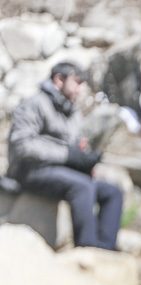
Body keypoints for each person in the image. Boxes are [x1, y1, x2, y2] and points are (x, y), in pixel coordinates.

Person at [7, 62, 123, 250]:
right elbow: (22, 145)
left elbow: (74, 146)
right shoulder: (35, 104)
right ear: (59, 79)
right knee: (82, 187)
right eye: (77, 82)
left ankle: (105, 250)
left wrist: (84, 161)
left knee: (112, 192)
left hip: (60, 171)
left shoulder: (71, 111)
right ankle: (87, 249)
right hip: (30, 171)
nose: (81, 88)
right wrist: (67, 155)